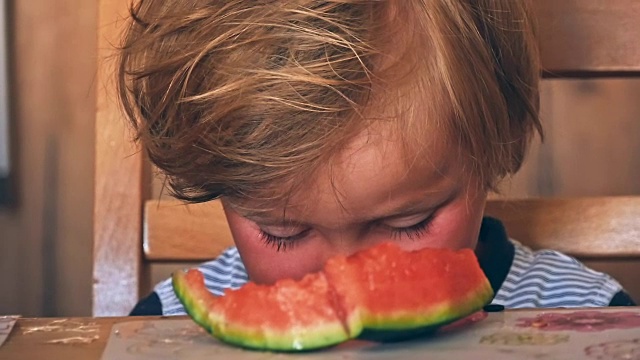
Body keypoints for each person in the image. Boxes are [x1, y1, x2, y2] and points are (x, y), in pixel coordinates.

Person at [117, 0, 635, 316]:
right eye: (282, 231)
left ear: (496, 144)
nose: (343, 274)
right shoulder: (165, 325)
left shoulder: (587, 315)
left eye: (409, 222)